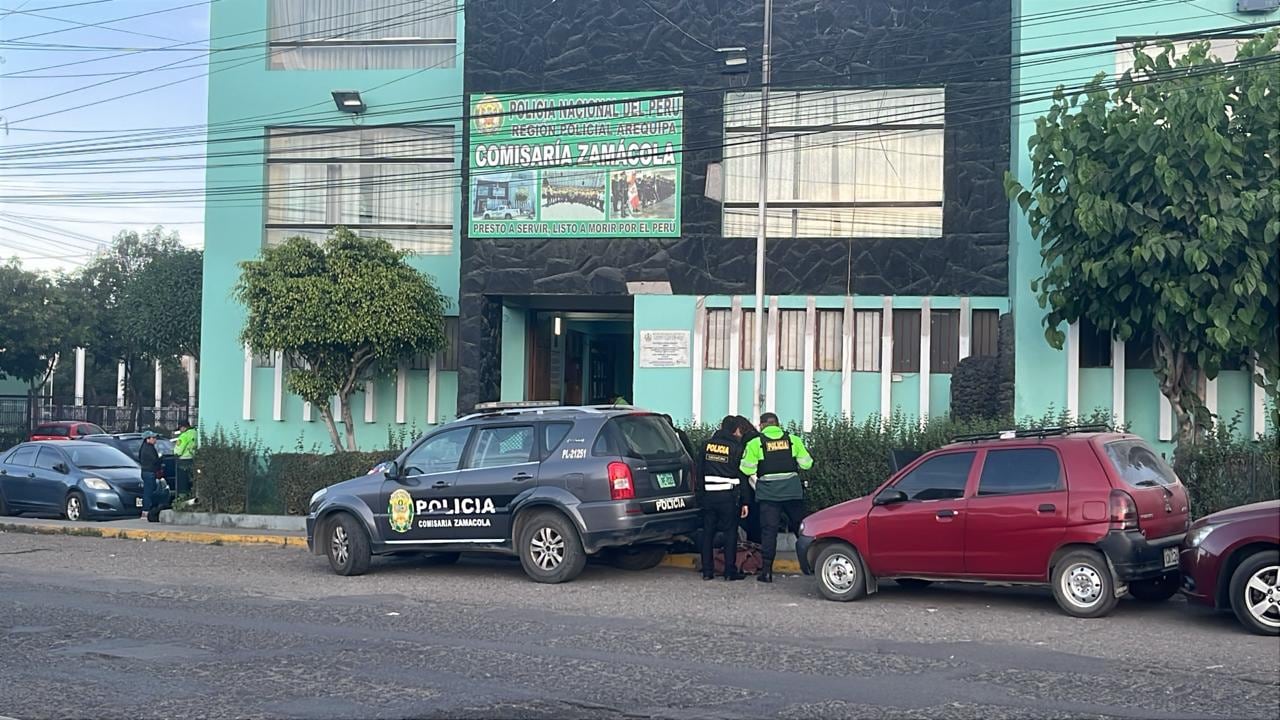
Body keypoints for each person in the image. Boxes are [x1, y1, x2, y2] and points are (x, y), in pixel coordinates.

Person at [739, 412, 814, 583]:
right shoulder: (793, 440)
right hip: (792, 492)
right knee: (801, 528)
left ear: (762, 425)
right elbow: (807, 464)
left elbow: (747, 469)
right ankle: (812, 563)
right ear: (778, 424)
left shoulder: (755, 443)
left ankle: (766, 572)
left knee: (769, 531)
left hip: (769, 494)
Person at [698, 416, 750, 581]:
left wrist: (700, 496)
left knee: (708, 533)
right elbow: (742, 476)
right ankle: (729, 571)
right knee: (730, 534)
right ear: (735, 430)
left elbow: (699, 472)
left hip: (709, 496)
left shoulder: (706, 445)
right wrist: (745, 501)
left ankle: (707, 571)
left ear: (721, 427)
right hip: (728, 497)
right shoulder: (737, 447)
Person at [137, 430, 165, 523]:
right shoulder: (148, 449)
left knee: (150, 491)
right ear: (147, 439)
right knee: (148, 493)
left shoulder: (147, 447)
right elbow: (154, 460)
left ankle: (148, 510)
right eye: (153, 438)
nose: (155, 440)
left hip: (148, 472)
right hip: (149, 472)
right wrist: (160, 459)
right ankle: (146, 511)